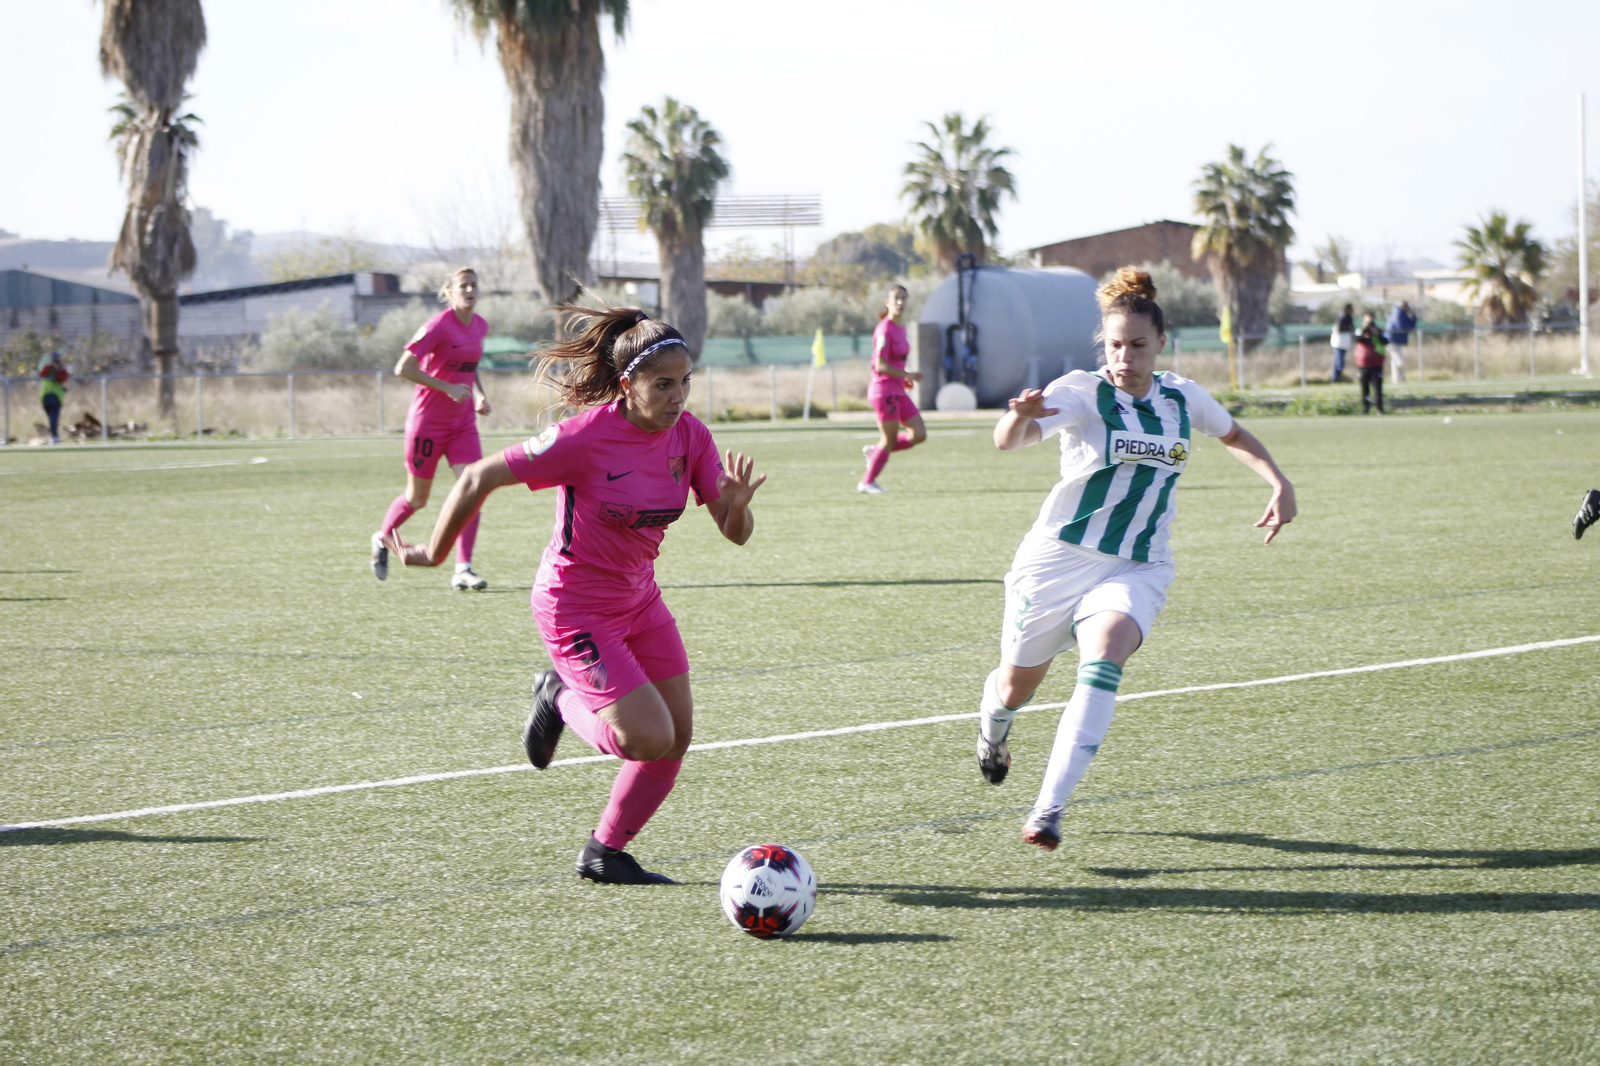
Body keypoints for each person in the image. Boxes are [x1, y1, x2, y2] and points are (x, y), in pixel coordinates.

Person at [386, 305, 766, 884]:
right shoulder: (586, 436)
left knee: (676, 739)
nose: (678, 396)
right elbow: (476, 476)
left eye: (686, 381)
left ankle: (604, 853)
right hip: (574, 606)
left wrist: (737, 509)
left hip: (640, 601)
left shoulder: (690, 437)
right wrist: (438, 554)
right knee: (647, 737)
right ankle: (559, 696)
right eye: (663, 384)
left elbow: (734, 535)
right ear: (626, 384)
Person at [973, 268, 1296, 851]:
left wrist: (1278, 481)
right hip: (1056, 562)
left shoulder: (1181, 397)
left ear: (1160, 344)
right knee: (1016, 687)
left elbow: (1233, 434)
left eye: (1138, 345)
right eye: (1116, 344)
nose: (1125, 356)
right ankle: (992, 735)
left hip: (1136, 566)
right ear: (1105, 343)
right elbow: (1007, 441)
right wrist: (1019, 415)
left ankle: (1048, 810)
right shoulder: (1082, 391)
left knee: (1106, 654)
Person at [369, 268, 493, 590]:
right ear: (449, 292)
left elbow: (470, 367)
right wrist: (446, 387)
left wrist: (478, 395)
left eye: (474, 285)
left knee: (473, 491)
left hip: (463, 424)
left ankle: (463, 569)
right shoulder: (438, 326)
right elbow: (403, 368)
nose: (469, 290)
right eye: (463, 286)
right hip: (428, 424)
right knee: (417, 498)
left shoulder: (479, 326)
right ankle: (383, 539)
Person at [858, 284, 925, 493]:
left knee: (919, 434)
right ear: (887, 303)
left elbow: (896, 364)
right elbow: (880, 365)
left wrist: (904, 378)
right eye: (896, 298)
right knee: (889, 439)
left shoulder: (901, 329)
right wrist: (906, 375)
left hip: (897, 389)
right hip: (883, 390)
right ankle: (867, 482)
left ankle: (876, 453)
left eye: (904, 298)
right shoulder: (884, 329)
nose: (900, 302)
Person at [1354, 312, 1387, 414]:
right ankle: (1365, 408)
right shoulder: (1360, 331)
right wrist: (1364, 329)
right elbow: (1357, 339)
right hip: (1363, 364)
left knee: (1377, 388)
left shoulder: (1378, 331)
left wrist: (1375, 332)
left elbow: (1385, 341)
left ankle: (1379, 408)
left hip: (1376, 364)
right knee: (1364, 388)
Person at [38, 351, 68, 443]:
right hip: (46, 396)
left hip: (57, 397)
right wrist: (51, 366)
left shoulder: (61, 370)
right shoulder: (47, 368)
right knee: (52, 417)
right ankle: (54, 435)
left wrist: (59, 368)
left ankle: (54, 435)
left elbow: (62, 378)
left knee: (54, 417)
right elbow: (42, 375)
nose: (56, 361)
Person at [1385, 300, 1416, 383]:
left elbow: (1411, 325)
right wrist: (1409, 327)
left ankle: (1397, 379)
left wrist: (1413, 316)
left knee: (1396, 361)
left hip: (1395, 341)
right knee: (1400, 360)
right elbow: (1401, 326)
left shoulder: (1402, 313)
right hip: (1392, 340)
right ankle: (1399, 378)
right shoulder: (1398, 312)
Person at [1330, 303, 1354, 384]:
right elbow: (1339, 329)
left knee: (1339, 362)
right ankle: (1335, 379)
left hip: (1342, 343)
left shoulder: (1345, 316)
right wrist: (1349, 329)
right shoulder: (1344, 317)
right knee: (1339, 362)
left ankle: (1336, 379)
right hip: (1339, 343)